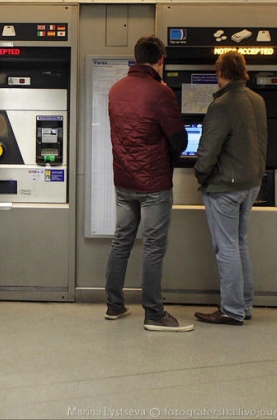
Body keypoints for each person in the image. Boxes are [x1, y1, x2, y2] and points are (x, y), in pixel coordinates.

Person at [105, 36, 192, 332]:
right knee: (153, 247)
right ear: (161, 59)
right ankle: (154, 313)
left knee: (122, 241)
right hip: (154, 183)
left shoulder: (116, 90)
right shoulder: (160, 92)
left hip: (124, 180)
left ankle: (114, 305)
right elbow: (180, 140)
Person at [194, 51, 267, 326]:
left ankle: (232, 310)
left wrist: (201, 174)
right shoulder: (257, 101)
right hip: (251, 183)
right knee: (239, 244)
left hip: (225, 186)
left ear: (220, 72)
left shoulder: (223, 104)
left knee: (225, 247)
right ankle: (244, 305)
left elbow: (209, 148)